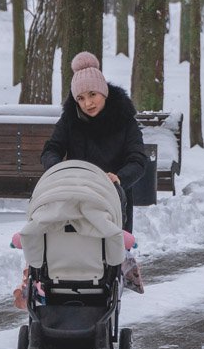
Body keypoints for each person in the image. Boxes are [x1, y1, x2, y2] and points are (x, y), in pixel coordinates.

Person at [40, 51, 147, 233]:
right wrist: (58, 170)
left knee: (110, 250)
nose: (88, 103)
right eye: (80, 98)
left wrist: (120, 177)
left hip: (113, 196)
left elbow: (137, 159)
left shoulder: (125, 120)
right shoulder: (70, 120)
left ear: (103, 92)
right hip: (77, 192)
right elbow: (52, 149)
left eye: (92, 94)